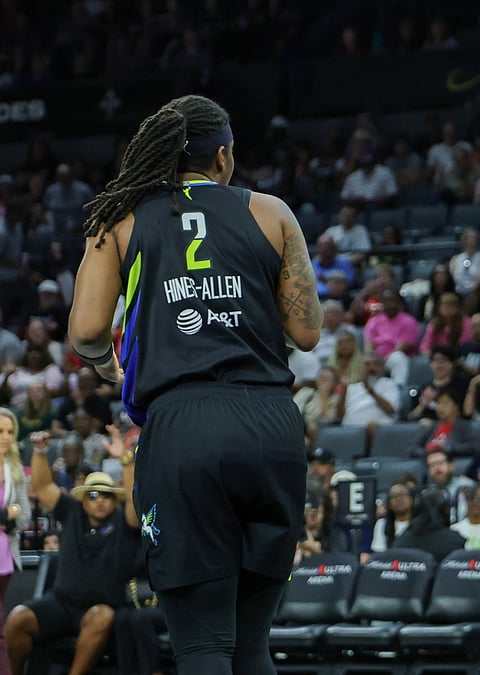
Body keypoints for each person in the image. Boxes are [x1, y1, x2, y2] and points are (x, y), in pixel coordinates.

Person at [67, 95, 322, 675]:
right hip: (270, 423)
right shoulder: (271, 211)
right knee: (253, 642)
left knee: (204, 644)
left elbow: (85, 332)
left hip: (185, 427)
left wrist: (112, 368)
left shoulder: (121, 219)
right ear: (224, 157)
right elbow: (306, 332)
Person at [7, 428, 139, 675]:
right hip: (61, 603)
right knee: (18, 618)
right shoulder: (72, 512)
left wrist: (126, 460)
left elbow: (134, 503)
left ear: (114, 500)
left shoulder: (125, 522)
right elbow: (43, 485)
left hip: (100, 606)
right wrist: (39, 451)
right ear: (84, 499)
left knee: (102, 616)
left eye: (106, 495)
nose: (99, 499)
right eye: (93, 494)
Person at [0, 410, 31, 675]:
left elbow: (24, 517)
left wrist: (11, 516)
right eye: (0, 431)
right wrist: (4, 514)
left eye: (10, 432)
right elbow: (10, 512)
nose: (6, 437)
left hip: (4, 558)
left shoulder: (15, 469)